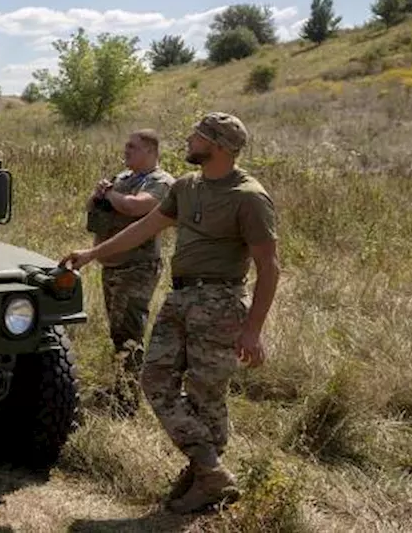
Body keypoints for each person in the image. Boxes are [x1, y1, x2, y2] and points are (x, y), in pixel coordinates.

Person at [60, 112, 280, 515]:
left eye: (196, 137)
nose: (188, 140)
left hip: (221, 302)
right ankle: (209, 470)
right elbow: (144, 228)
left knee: (206, 394)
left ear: (217, 146)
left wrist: (253, 331)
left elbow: (270, 267)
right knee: (154, 378)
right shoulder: (186, 186)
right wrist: (92, 254)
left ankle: (204, 477)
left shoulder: (248, 196)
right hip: (180, 298)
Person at [84, 129, 174, 416]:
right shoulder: (122, 178)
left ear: (150, 150)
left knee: (130, 334)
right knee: (118, 331)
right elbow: (93, 207)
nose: (126, 151)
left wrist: (110, 194)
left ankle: (127, 399)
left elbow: (137, 207)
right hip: (113, 266)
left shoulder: (161, 182)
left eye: (132, 147)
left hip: (137, 267)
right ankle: (120, 389)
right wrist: (98, 194)